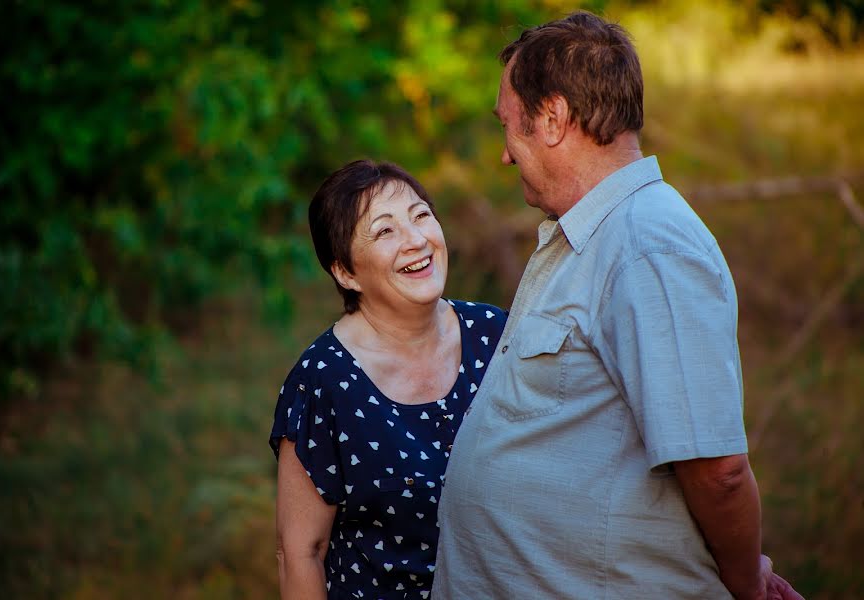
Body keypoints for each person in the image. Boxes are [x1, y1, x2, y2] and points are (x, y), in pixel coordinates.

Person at [431, 11, 802, 600]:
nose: (505, 154)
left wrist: (745, 587)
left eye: (509, 126)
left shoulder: (649, 246)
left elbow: (718, 471)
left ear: (551, 118)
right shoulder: (587, 235)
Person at [271, 159, 507, 599]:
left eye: (420, 216)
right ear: (346, 272)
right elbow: (301, 551)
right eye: (385, 231)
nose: (416, 240)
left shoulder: (498, 336)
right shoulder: (323, 381)